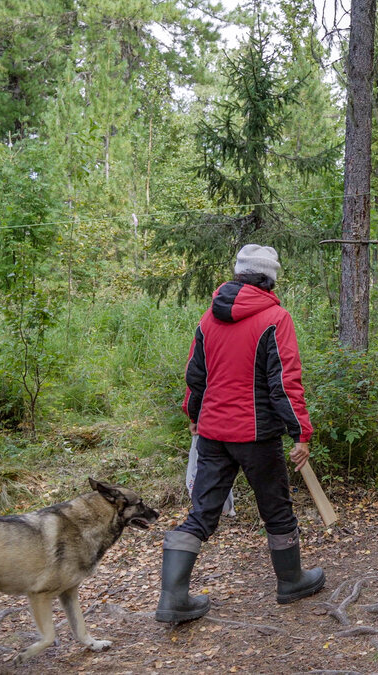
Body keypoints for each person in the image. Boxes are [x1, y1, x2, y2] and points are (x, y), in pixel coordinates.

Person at [156, 244, 325, 624]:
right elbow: (284, 381)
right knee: (277, 511)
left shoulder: (208, 319)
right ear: (270, 278)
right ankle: (292, 581)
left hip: (213, 433)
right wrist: (301, 432)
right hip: (256, 435)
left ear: (238, 275)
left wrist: (194, 416)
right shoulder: (275, 318)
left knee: (202, 513)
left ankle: (173, 599)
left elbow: (194, 377)